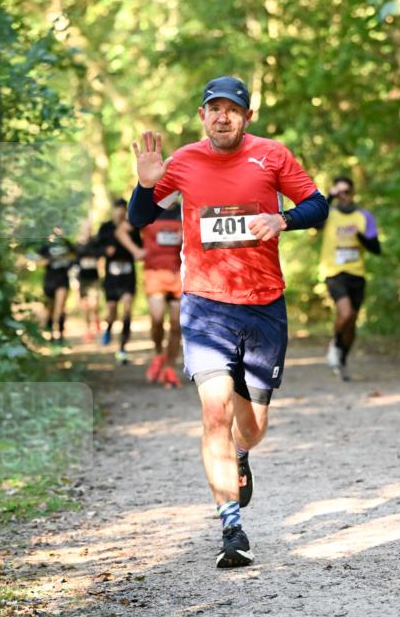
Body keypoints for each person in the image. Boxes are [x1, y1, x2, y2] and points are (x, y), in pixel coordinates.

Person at [128, 75, 328, 568]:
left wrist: (283, 219)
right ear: (202, 116)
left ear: (246, 117)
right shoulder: (183, 162)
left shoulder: (273, 156)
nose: (222, 116)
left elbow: (318, 206)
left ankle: (241, 454)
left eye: (232, 109)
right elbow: (139, 219)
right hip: (205, 305)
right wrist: (146, 184)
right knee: (213, 412)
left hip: (263, 304)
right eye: (213, 108)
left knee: (252, 426)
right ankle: (231, 527)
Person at [319, 175, 380, 380]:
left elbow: (376, 248)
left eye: (347, 191)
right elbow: (316, 224)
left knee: (352, 321)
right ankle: (335, 345)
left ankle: (342, 360)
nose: (343, 196)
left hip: (357, 273)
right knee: (345, 314)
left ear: (353, 193)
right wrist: (329, 197)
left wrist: (359, 236)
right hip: (334, 272)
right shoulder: (329, 214)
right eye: (339, 192)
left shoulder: (364, 216)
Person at [116, 200, 183, 387]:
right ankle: (159, 354)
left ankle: (170, 368)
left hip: (180, 274)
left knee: (177, 325)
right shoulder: (149, 209)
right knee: (157, 320)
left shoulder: (183, 209)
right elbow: (121, 231)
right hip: (155, 274)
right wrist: (136, 251)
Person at [96, 198, 139, 364]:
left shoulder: (132, 228)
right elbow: (94, 247)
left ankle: (122, 348)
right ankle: (108, 327)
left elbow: (140, 246)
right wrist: (105, 250)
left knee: (127, 308)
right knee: (112, 310)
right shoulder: (105, 228)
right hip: (111, 277)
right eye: (118, 209)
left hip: (128, 275)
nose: (120, 212)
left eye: (123, 209)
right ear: (113, 210)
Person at [38, 228, 76, 344]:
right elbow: (37, 262)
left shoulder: (67, 244)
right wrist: (49, 260)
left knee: (60, 307)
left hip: (62, 280)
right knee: (50, 309)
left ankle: (60, 334)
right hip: (49, 281)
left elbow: (75, 256)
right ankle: (50, 334)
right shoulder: (45, 246)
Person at [75, 231, 102, 343]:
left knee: (94, 304)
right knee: (85, 306)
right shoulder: (77, 248)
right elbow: (74, 264)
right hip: (82, 280)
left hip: (94, 279)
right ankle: (87, 331)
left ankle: (96, 320)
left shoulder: (96, 244)